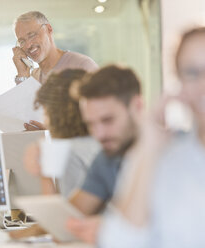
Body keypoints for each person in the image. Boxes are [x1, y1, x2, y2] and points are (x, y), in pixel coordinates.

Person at [88, 27, 205, 247]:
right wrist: (147, 147)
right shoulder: (165, 159)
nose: (203, 83)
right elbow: (120, 242)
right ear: (179, 83)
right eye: (191, 72)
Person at [65, 65, 144, 242]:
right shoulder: (107, 158)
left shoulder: (177, 154)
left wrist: (113, 230)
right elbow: (69, 218)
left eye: (107, 120)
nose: (98, 135)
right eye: (91, 124)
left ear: (137, 106)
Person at [12, 11, 98, 131]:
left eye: (32, 35)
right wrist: (22, 74)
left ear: (48, 29)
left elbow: (100, 119)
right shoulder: (33, 77)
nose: (28, 45)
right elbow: (25, 117)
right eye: (22, 41)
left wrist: (53, 132)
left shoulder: (82, 66)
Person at [25, 69, 100, 197]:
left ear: (55, 114)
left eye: (45, 111)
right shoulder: (97, 144)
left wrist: (44, 172)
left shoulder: (71, 153)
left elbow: (66, 216)